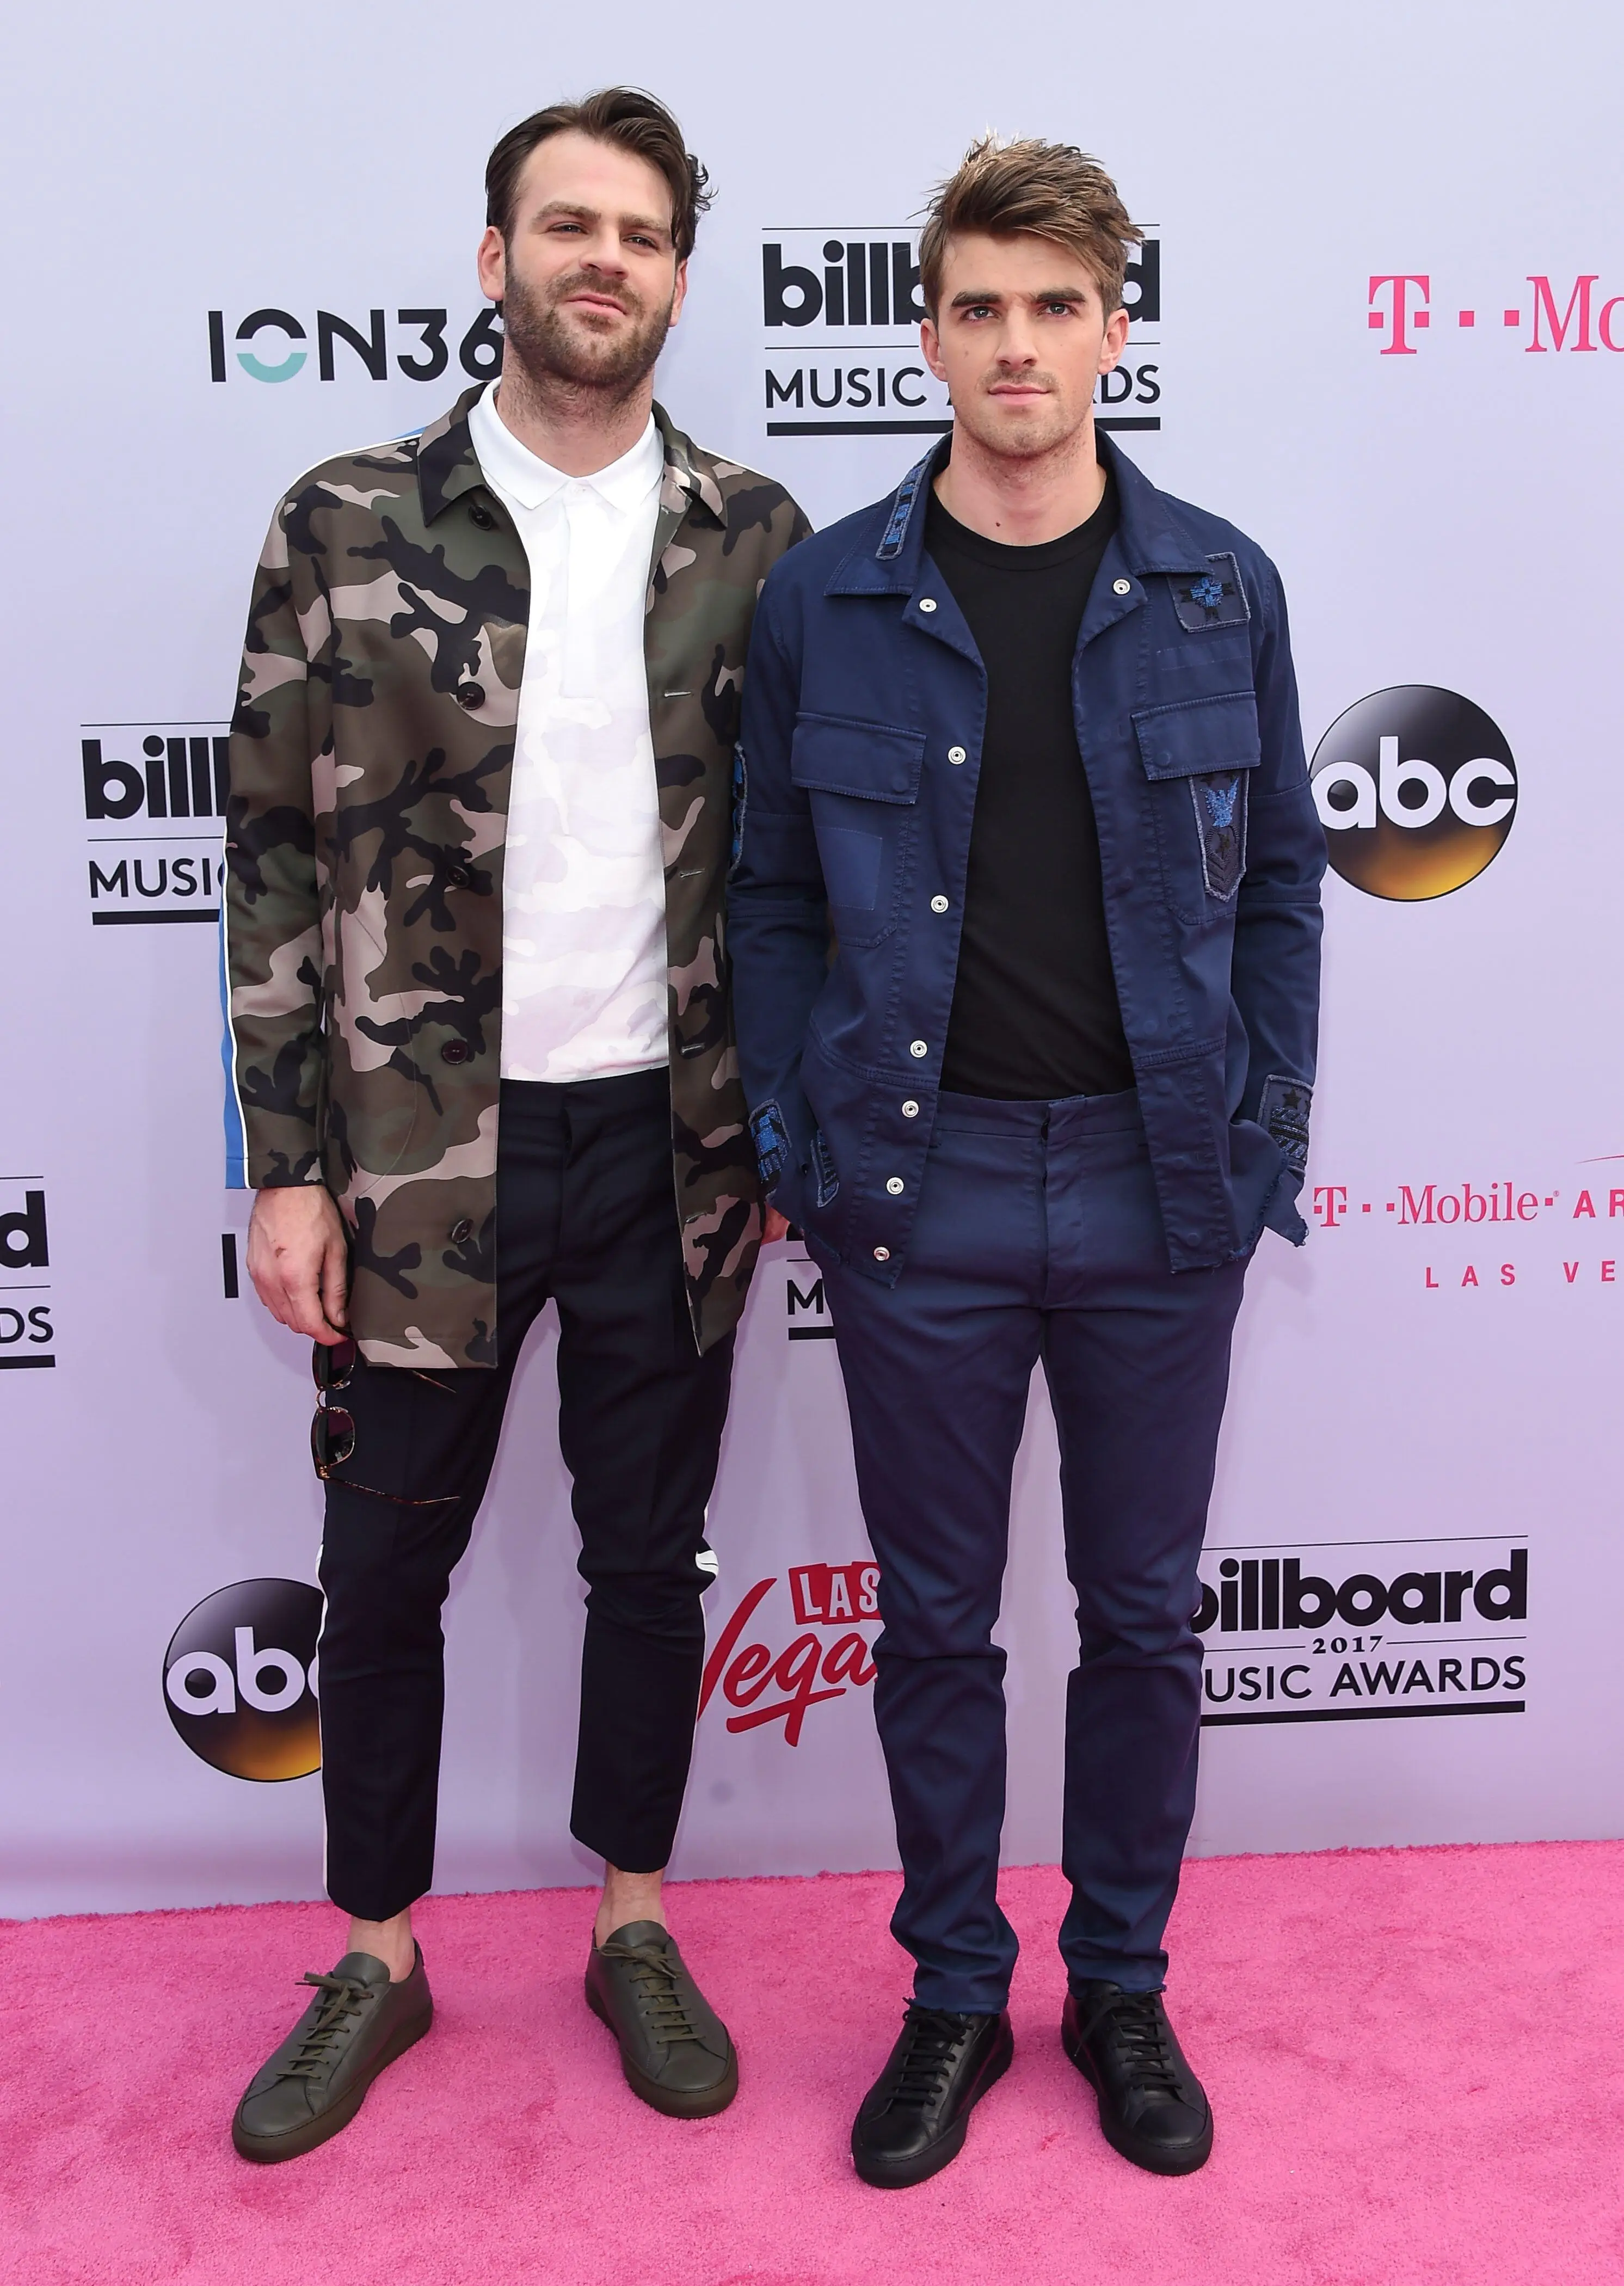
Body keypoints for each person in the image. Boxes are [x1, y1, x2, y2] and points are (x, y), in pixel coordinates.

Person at [729, 134, 1324, 2187]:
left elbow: (1286, 904)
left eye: (1054, 307)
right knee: (938, 1625)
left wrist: (1260, 1140)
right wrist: (805, 1142)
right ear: (927, 329)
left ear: (1114, 331)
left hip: (1167, 1186)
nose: (1015, 345)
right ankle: (957, 1995)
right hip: (923, 1192)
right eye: (977, 305)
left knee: (1147, 1620)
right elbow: (775, 896)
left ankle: (1127, 1987)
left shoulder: (1221, 583)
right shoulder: (829, 596)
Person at [224, 87, 806, 2163]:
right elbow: (274, 863)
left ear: (673, 277)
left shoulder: (758, 539)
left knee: (649, 1566)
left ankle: (632, 1924)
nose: (603, 261)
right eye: (569, 225)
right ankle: (374, 1957)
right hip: (409, 1163)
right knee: (380, 1586)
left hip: (675, 1149)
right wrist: (286, 1164)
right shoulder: (343, 518)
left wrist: (803, 1137)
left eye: (642, 234)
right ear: (498, 261)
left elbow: (806, 872)